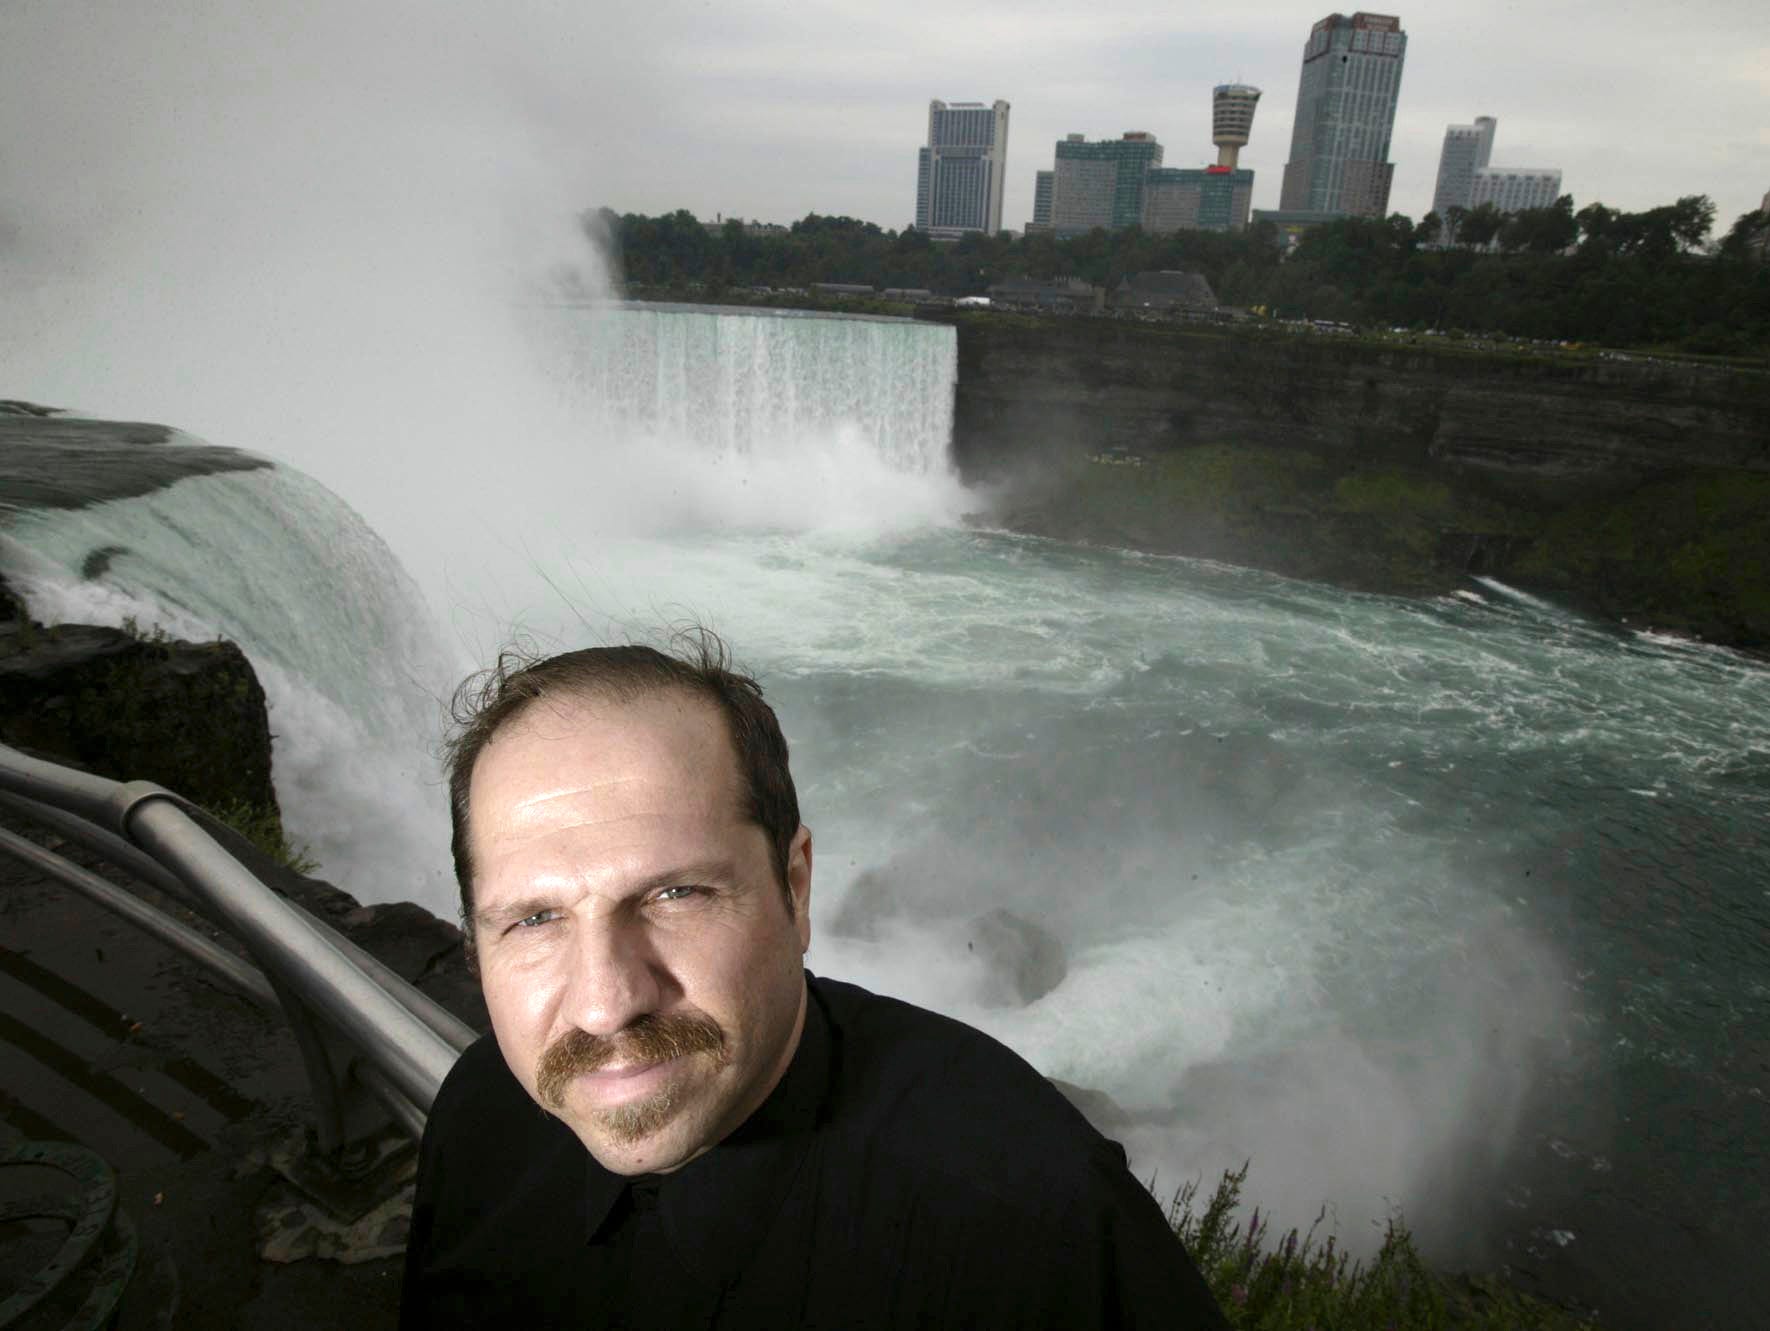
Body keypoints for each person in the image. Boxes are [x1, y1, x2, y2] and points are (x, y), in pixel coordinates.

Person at [400, 634, 1228, 1329]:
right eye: (533, 919)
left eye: (674, 894)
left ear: (795, 888)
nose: (605, 1003)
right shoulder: (481, 1115)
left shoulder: (1036, 1225)